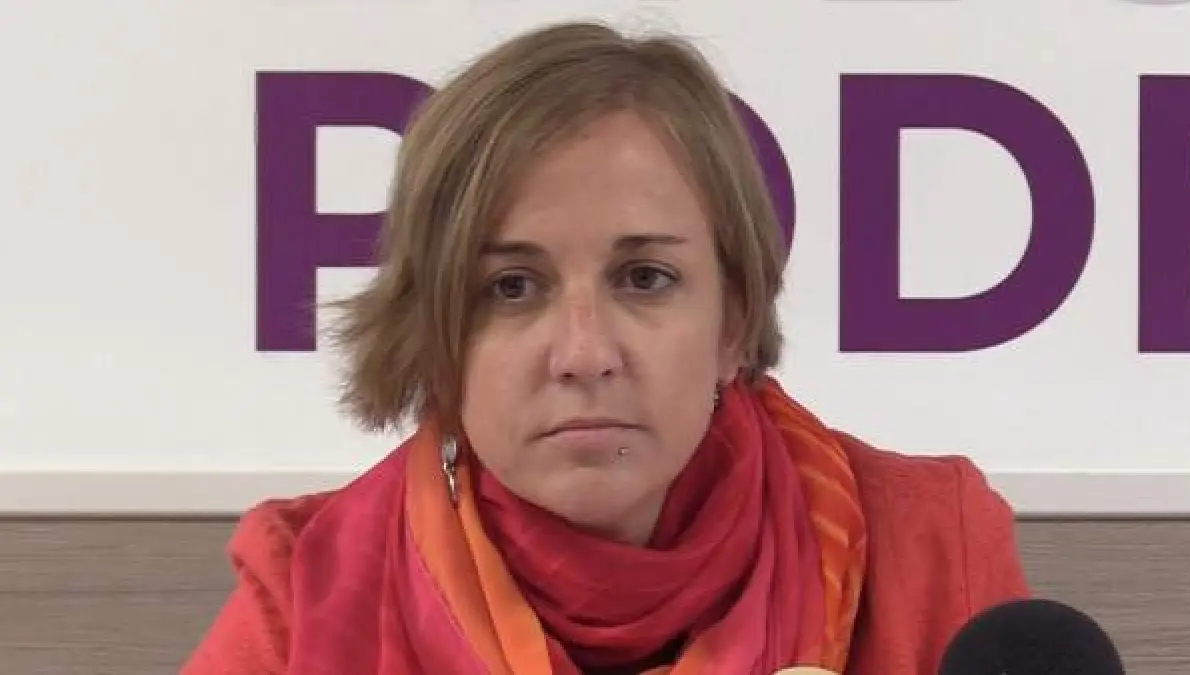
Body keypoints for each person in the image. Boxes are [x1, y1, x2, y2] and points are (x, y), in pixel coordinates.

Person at [182, 20, 1028, 675]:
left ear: (733, 321)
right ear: (434, 332)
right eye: (511, 287)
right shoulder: (305, 590)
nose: (585, 354)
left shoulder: (932, 550)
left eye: (646, 278)